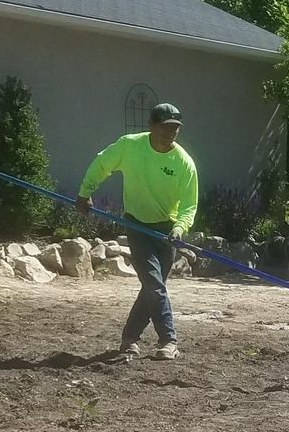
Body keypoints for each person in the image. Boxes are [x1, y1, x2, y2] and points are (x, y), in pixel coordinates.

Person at [76, 103, 199, 360]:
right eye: (166, 127)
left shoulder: (184, 163)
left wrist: (179, 228)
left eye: (175, 128)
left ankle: (129, 338)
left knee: (153, 287)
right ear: (152, 126)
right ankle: (169, 340)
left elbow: (189, 205)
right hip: (137, 226)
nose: (171, 133)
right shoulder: (130, 146)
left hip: (167, 231)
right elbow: (102, 164)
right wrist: (85, 192)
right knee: (154, 285)